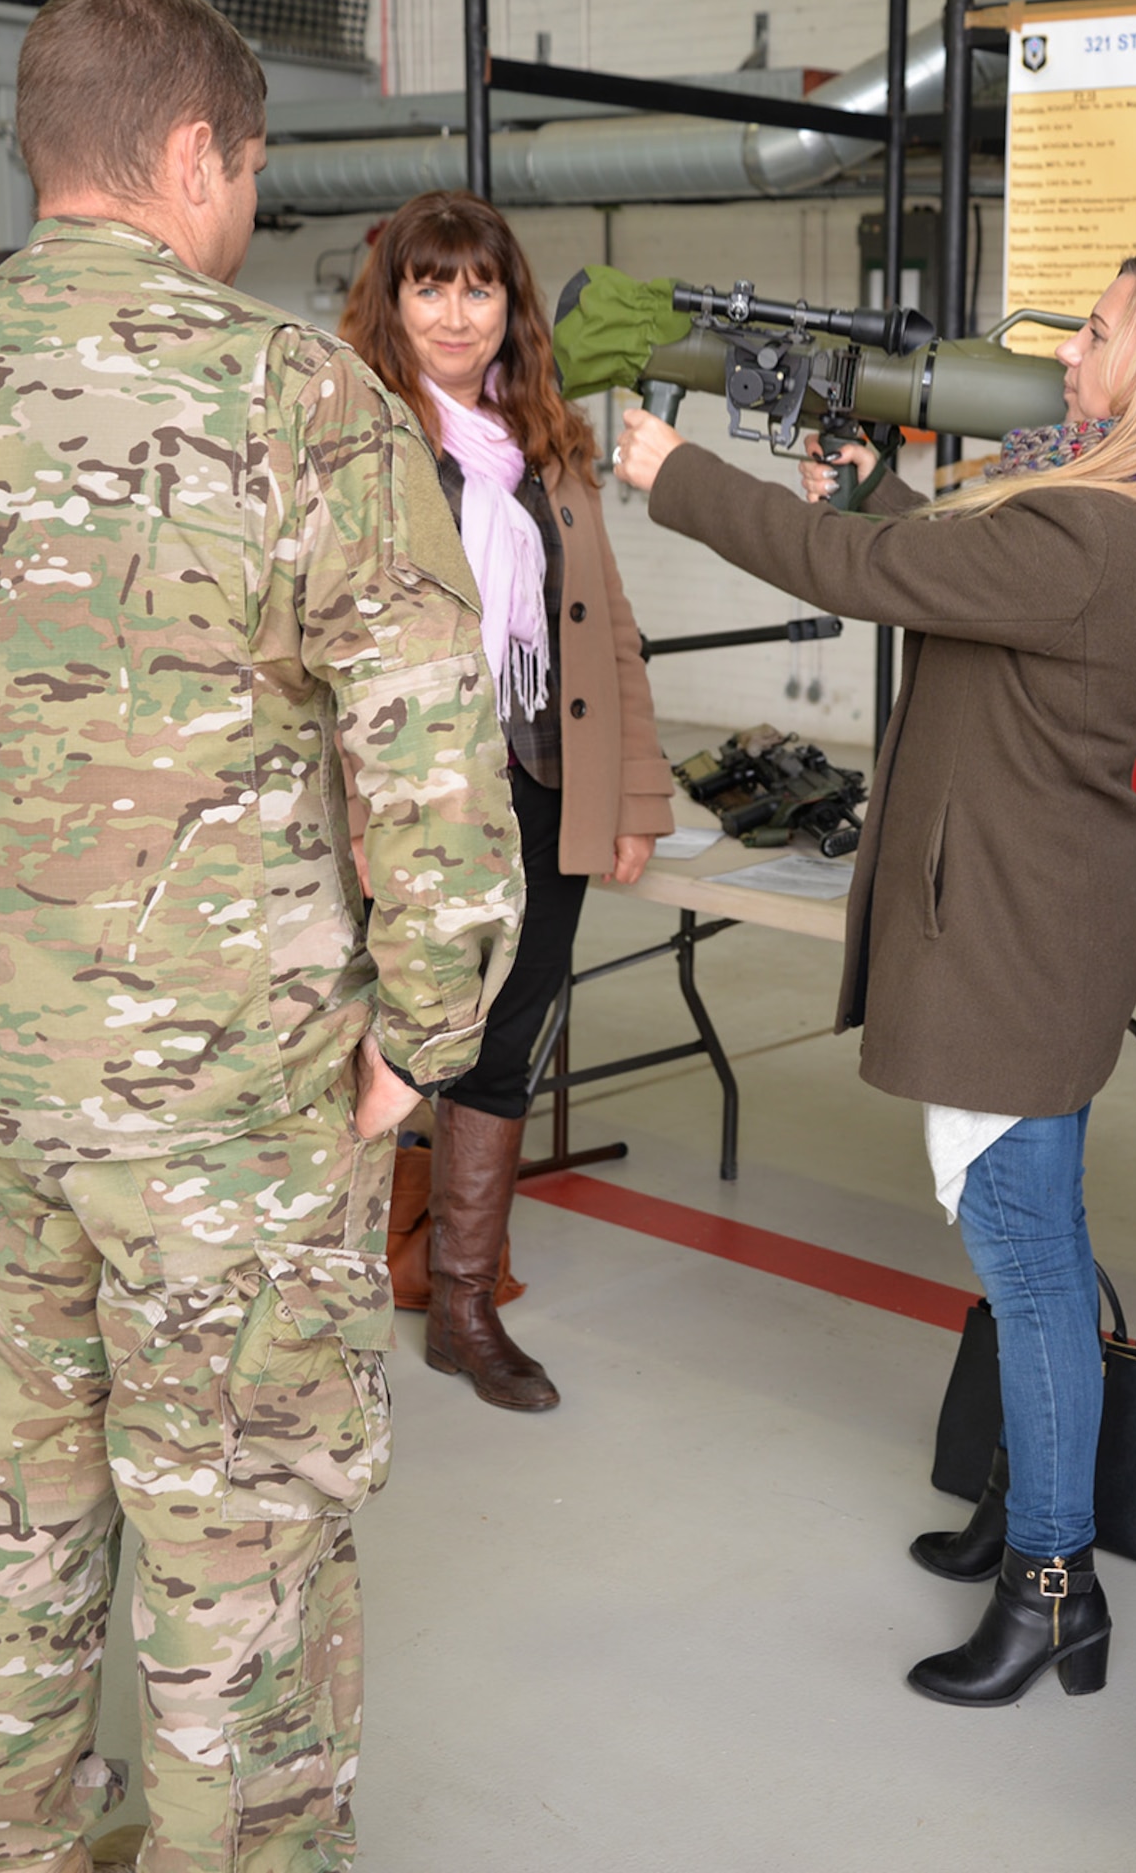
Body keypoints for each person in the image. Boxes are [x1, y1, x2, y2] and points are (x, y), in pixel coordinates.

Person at [0, 0, 522, 1873]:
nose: (247, 201)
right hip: (233, 1109)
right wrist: (425, 1033)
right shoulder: (301, 400)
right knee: (237, 1534)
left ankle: (10, 1843)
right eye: (248, 167)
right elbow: (432, 758)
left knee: (9, 1508)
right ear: (190, 151)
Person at [613, 251, 1136, 1705]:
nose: (1069, 351)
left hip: (1010, 937)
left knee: (1028, 1266)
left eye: (1097, 331)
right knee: (1038, 1245)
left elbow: (870, 580)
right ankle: (1021, 1498)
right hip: (1039, 923)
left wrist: (680, 475)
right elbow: (958, 582)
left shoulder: (1097, 528)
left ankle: (1053, 1588)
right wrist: (873, 490)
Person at [339, 191, 674, 1412]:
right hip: (400, 800)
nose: (454, 313)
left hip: (534, 784)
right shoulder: (353, 436)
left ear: (508, 305)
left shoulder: (547, 441)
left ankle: (463, 1306)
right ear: (392, 301)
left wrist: (629, 797)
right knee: (363, 1040)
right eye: (428, 286)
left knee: (502, 1041)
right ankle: (319, 1300)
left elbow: (607, 627)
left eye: (477, 288)